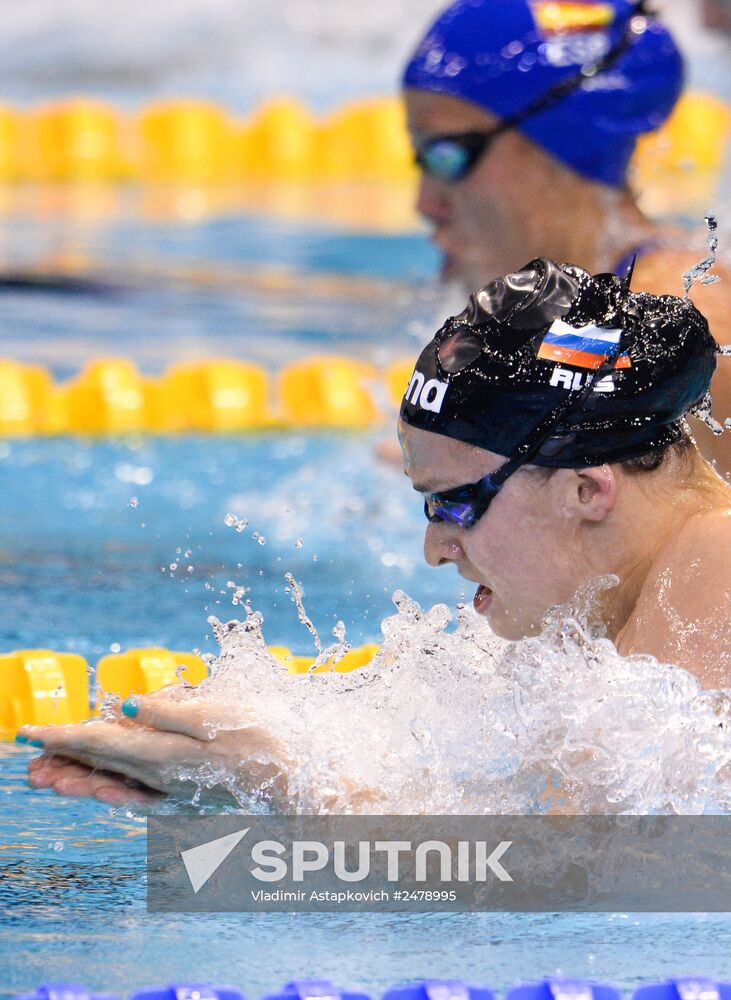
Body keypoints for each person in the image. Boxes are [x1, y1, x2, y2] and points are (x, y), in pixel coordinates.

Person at [19, 258, 731, 808]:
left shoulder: (716, 556)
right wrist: (226, 790)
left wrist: (288, 785)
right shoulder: (608, 613)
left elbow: (605, 878)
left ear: (585, 490)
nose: (433, 549)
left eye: (453, 503)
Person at [402, 0, 731, 473]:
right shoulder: (545, 305)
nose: (425, 204)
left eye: (448, 155)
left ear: (559, 142)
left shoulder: (685, 334)